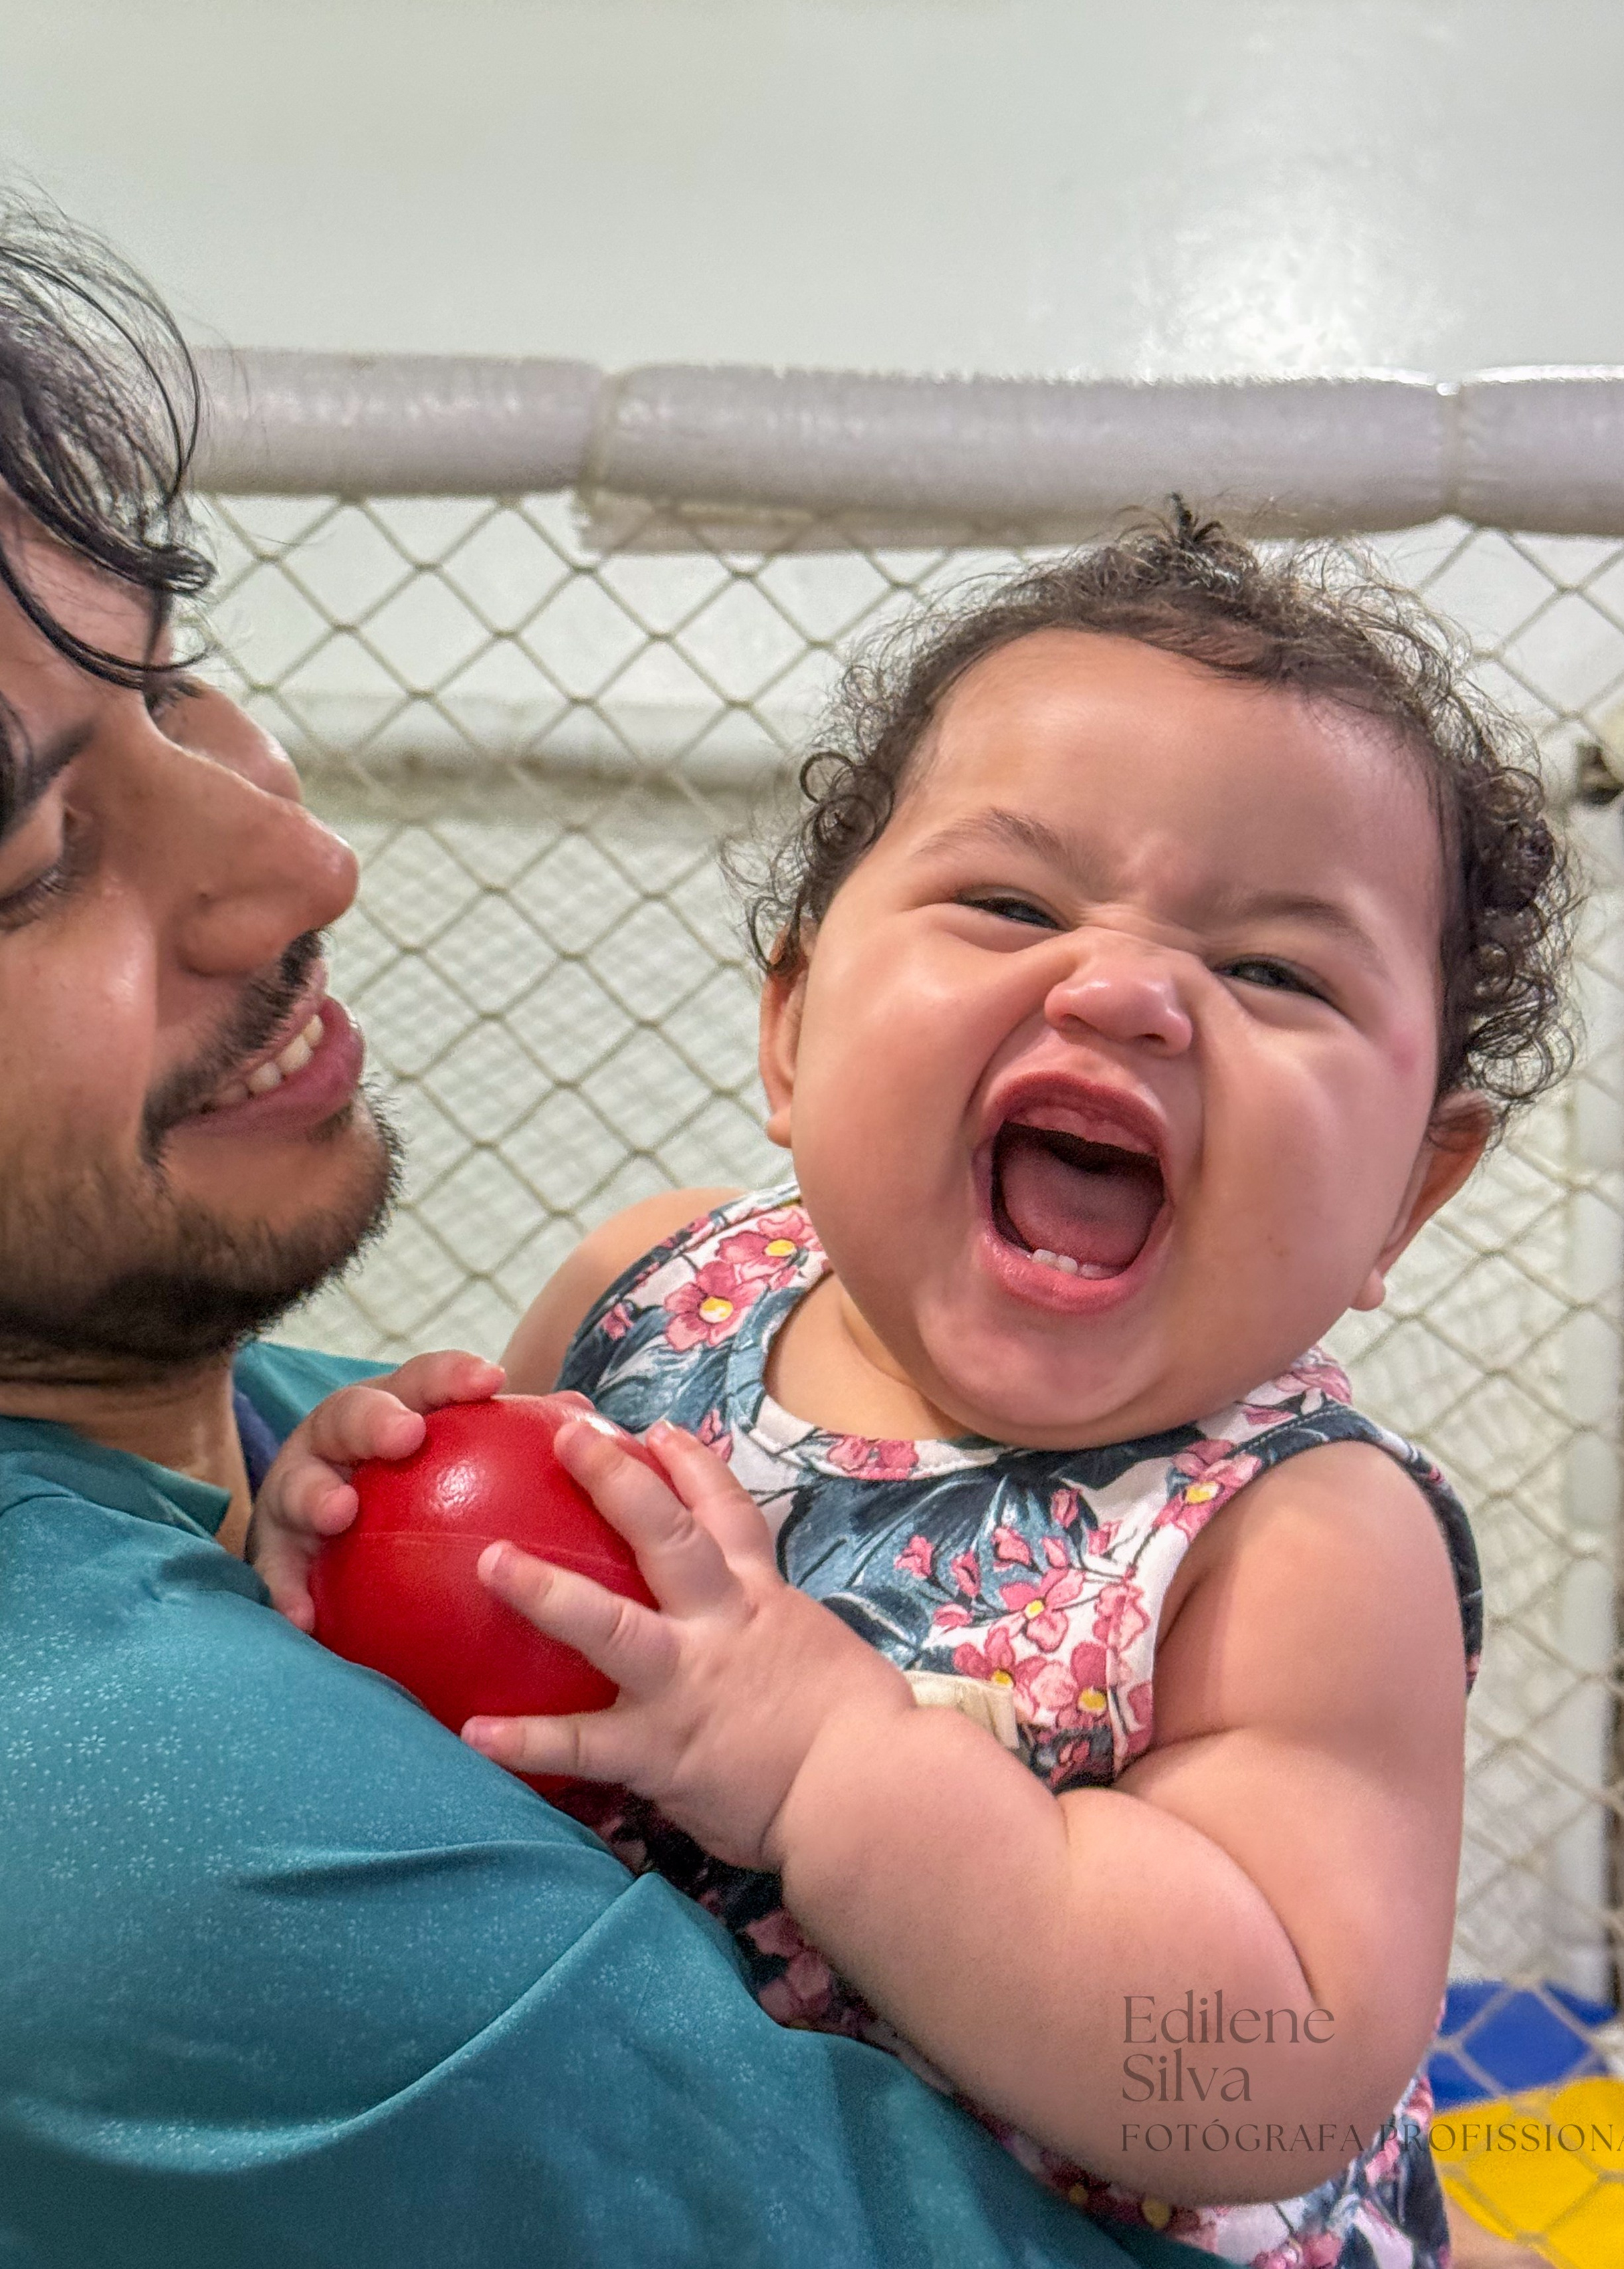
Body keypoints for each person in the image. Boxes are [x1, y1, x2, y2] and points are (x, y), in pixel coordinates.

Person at [0, 203, 1205, 2268]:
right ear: (793, 1020)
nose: (301, 860)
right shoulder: (135, 1807)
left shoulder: (320, 1444)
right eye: (29, 857)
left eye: (178, 689)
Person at [254, 515, 1573, 2268]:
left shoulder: (1302, 1540)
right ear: (792, 1034)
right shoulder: (653, 1292)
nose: (1126, 991)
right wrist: (341, 1559)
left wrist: (832, 1771)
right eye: (1014, 902)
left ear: (1410, 1188)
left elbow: (1264, 2085)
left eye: (1271, 970)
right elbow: (515, 1691)